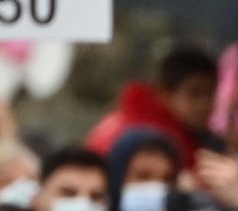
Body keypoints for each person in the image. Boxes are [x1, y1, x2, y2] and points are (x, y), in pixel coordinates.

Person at [85, 45, 221, 170]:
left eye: (212, 93)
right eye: (195, 93)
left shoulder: (193, 139)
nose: (206, 104)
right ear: (165, 93)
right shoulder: (134, 136)